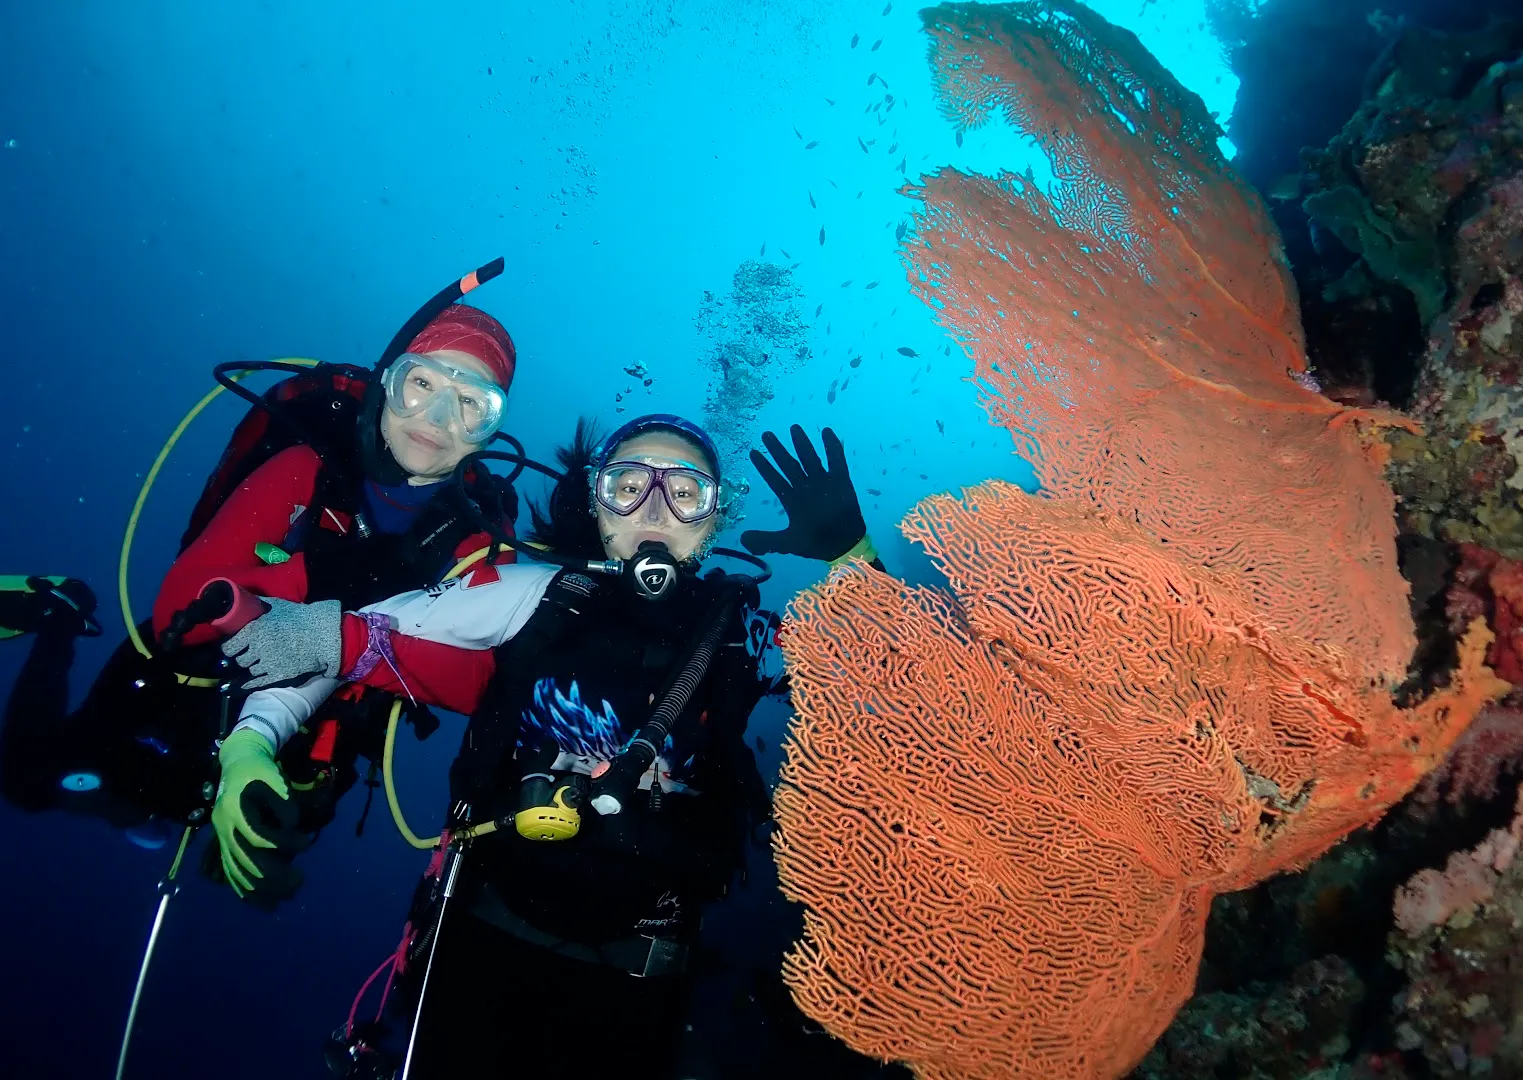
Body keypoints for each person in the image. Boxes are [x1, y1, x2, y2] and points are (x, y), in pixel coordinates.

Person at [220, 413, 878, 1078]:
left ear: (715, 516)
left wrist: (852, 559)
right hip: (478, 947)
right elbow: (333, 639)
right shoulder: (531, 593)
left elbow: (889, 692)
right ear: (595, 500)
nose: (654, 509)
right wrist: (249, 743)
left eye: (685, 492)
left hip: (642, 979)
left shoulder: (744, 635)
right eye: (627, 485)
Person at [0, 267, 522, 906]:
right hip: (188, 687)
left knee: (255, 873)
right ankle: (59, 615)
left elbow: (487, 679)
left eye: (473, 404)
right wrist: (333, 581)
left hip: (313, 735)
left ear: (491, 428)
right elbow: (182, 605)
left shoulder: (474, 540)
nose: (438, 417)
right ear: (388, 382)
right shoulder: (305, 465)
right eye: (421, 384)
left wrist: (344, 640)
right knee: (31, 779)